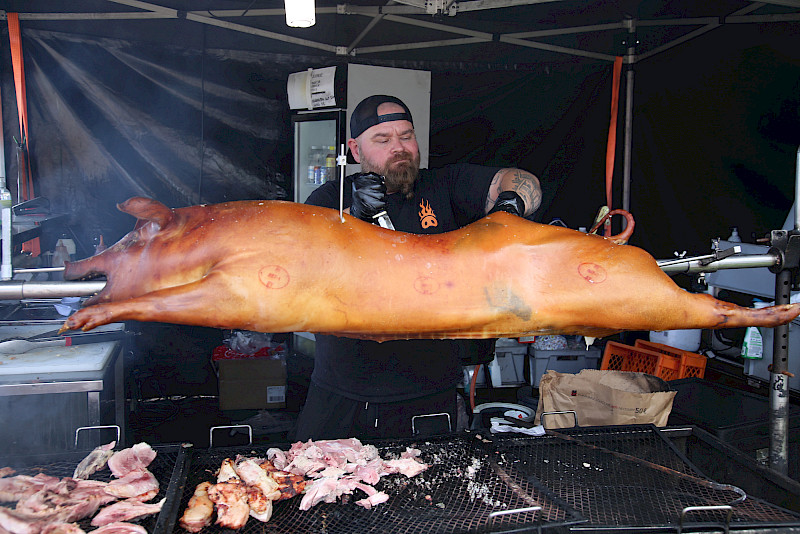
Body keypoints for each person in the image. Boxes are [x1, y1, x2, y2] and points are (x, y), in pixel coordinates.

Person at [294, 94, 542, 441]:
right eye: (382, 139)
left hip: (428, 391)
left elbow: (520, 179)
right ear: (355, 150)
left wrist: (508, 208)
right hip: (341, 391)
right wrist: (354, 218)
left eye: (406, 135)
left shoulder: (443, 185)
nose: (399, 147)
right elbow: (305, 265)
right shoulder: (329, 200)